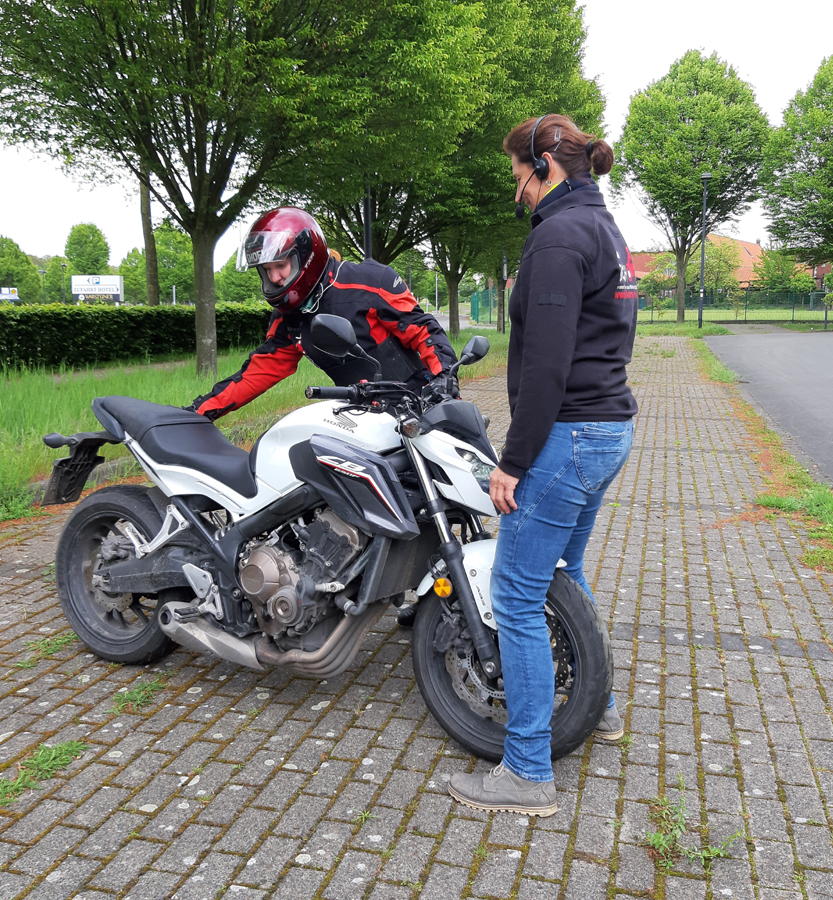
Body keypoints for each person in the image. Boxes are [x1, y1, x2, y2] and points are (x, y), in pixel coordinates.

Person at [448, 115, 639, 816]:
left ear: (544, 168)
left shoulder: (558, 238)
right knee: (565, 572)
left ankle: (527, 772)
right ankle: (602, 709)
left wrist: (513, 462)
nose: (516, 191)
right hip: (607, 427)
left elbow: (549, 367)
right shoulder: (606, 229)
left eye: (516, 176)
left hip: (569, 436)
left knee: (519, 594)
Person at [190, 207, 458, 421]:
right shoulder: (288, 317)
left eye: (280, 265)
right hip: (362, 417)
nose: (275, 278)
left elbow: (423, 330)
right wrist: (200, 412)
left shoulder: (369, 282)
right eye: (266, 271)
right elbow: (257, 373)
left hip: (421, 405)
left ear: (306, 256)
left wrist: (444, 380)